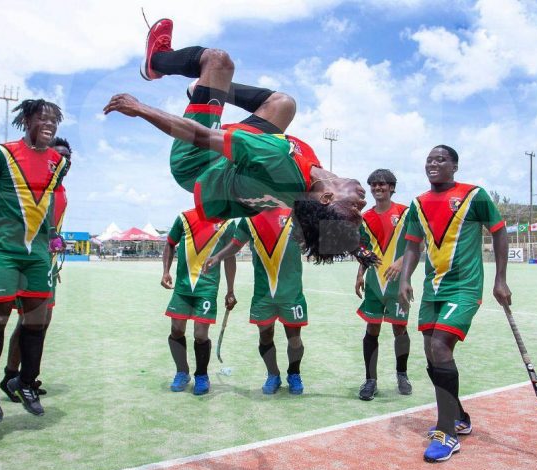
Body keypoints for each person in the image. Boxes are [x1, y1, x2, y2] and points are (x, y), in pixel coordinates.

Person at [103, 18, 375, 265]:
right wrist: (358, 250)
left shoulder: (278, 159)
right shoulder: (313, 196)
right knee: (283, 104)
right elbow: (329, 223)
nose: (363, 202)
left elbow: (201, 135)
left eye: (355, 207)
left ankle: (155, 62)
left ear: (327, 197)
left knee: (219, 61)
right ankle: (205, 89)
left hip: (197, 162)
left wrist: (140, 108)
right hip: (235, 172)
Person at [398, 145, 511, 463]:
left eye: (441, 159)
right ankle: (459, 415)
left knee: (440, 349)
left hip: (464, 287)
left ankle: (446, 432)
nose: (433, 163)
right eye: (429, 159)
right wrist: (405, 278)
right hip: (432, 289)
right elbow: (411, 245)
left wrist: (499, 279)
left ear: (455, 166)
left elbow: (500, 233)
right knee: (430, 352)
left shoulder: (474, 195)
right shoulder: (418, 203)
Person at [0, 99, 68, 423]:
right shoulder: (0, 153)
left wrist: (52, 235)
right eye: (42, 118)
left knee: (36, 323)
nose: (49, 123)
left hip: (37, 257)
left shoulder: (57, 162)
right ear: (26, 120)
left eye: (54, 119)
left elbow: (47, 202)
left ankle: (26, 383)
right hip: (2, 253)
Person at [205, 207, 307, 395]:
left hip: (291, 293)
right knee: (265, 337)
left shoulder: (295, 213)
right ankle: (273, 375)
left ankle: (294, 373)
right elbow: (236, 244)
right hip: (263, 294)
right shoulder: (248, 220)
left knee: (294, 339)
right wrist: (218, 256)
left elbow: (314, 237)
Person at [1, 137, 72, 402]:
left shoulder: (60, 190)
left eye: (67, 157)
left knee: (42, 322)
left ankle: (26, 377)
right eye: (58, 155)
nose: (64, 161)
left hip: (46, 267)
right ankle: (10, 377)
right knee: (28, 321)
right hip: (27, 265)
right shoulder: (33, 185)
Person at [162, 209, 237, 395]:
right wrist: (165, 271)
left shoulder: (227, 222)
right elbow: (170, 244)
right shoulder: (184, 218)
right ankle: (182, 372)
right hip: (182, 287)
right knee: (176, 329)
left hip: (207, 288)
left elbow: (230, 257)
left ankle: (202, 375)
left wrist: (230, 290)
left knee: (200, 334)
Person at [354, 169, 412, 401]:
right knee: (372, 330)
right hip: (374, 285)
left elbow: (416, 244)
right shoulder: (365, 217)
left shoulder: (405, 214)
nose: (378, 188)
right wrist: (360, 272)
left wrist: (400, 261)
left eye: (382, 184)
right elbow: (364, 250)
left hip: (398, 285)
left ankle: (402, 375)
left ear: (391, 187)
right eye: (374, 185)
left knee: (399, 329)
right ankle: (371, 380)